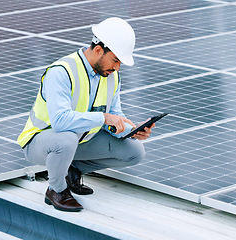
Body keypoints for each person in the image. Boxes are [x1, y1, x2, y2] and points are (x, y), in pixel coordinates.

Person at [17, 17, 155, 212]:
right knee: (65, 140)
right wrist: (104, 118)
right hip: (41, 142)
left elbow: (114, 115)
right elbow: (59, 122)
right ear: (98, 49)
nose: (117, 67)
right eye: (115, 59)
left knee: (134, 151)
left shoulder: (111, 76)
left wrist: (131, 130)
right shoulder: (61, 71)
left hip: (80, 140)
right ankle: (56, 190)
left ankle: (72, 171)